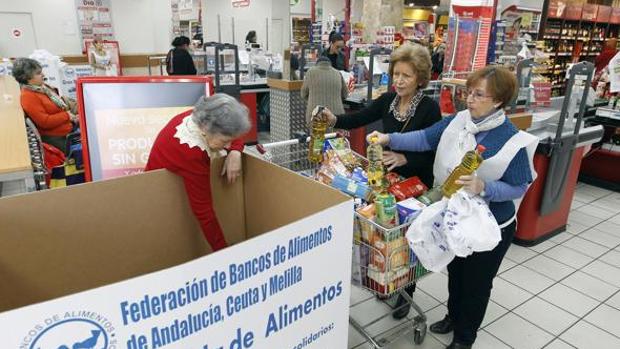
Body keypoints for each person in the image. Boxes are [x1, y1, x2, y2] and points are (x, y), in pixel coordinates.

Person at [367, 66, 537, 349]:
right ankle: (452, 316)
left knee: (476, 284)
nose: (469, 99)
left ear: (498, 101)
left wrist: (485, 187)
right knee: (456, 273)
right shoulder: (460, 121)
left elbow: (520, 186)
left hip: (489, 226)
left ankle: (464, 337)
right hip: (454, 217)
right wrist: (389, 139)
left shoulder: (513, 140)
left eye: (478, 94)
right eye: (468, 92)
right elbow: (424, 138)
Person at [320, 44, 441, 319]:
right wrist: (333, 118)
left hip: (416, 182)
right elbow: (361, 118)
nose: (398, 80)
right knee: (384, 235)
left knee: (407, 241)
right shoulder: (388, 100)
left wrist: (404, 159)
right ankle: (386, 279)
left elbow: (433, 151)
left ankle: (406, 294)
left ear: (420, 78)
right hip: (386, 180)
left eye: (406, 76)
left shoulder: (429, 108)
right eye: (396, 74)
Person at [145, 94, 250, 251]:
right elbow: (204, 212)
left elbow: (233, 132)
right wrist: (223, 253)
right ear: (206, 129)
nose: (228, 145)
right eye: (224, 141)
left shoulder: (201, 116)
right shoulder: (191, 151)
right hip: (155, 201)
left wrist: (235, 151)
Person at [14, 58, 78, 153]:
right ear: (27, 78)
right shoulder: (28, 96)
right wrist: (67, 116)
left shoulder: (42, 88)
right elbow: (45, 122)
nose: (43, 75)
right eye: (38, 73)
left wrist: (73, 117)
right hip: (57, 137)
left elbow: (60, 107)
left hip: (68, 128)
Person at [301, 56, 348, 124]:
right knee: (335, 134)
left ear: (317, 64)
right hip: (336, 116)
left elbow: (303, 94)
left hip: (316, 116)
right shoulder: (338, 73)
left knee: (317, 133)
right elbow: (345, 94)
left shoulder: (310, 72)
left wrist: (313, 100)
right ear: (330, 64)